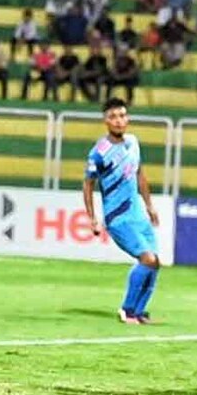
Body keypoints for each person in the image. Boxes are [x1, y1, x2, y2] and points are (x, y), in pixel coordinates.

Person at [82, 97, 162, 325]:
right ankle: (127, 310)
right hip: (119, 218)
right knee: (147, 259)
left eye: (122, 115)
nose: (119, 121)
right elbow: (88, 184)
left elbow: (140, 175)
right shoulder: (99, 152)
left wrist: (149, 206)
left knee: (155, 263)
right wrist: (92, 218)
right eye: (113, 117)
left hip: (138, 214)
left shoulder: (133, 143)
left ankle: (138, 312)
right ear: (105, 121)